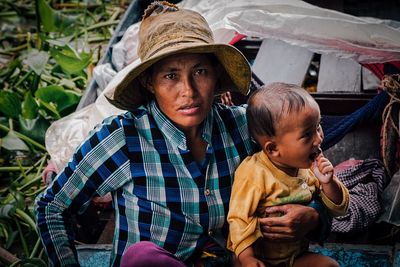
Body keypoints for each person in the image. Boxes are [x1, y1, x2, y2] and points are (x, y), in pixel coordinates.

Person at [35, 2, 331, 267]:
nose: (188, 92)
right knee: (142, 258)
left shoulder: (245, 128)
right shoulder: (124, 138)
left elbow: (312, 178)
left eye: (199, 72)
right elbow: (52, 207)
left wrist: (315, 217)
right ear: (150, 83)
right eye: (171, 76)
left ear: (215, 75)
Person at [227, 82, 350, 267]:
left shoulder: (308, 166)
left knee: (329, 265)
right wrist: (246, 258)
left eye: (318, 126)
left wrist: (328, 182)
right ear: (274, 148)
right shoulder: (254, 174)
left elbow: (339, 209)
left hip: (294, 257)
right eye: (307, 134)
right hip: (257, 258)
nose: (319, 138)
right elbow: (239, 219)